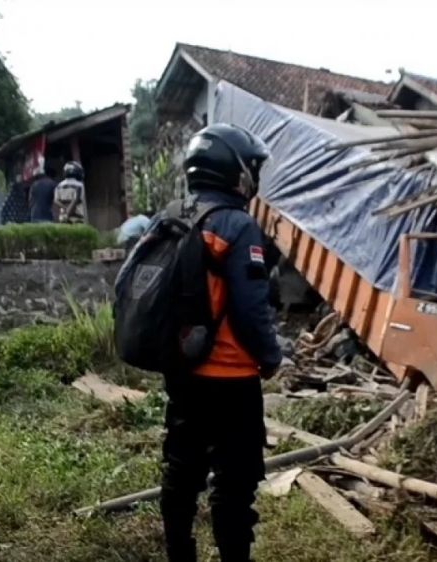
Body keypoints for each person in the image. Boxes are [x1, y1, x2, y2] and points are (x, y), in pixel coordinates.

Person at [158, 124, 281, 562]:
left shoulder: (174, 216)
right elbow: (252, 308)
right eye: (252, 167)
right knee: (234, 484)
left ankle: (180, 554)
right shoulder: (237, 225)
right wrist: (270, 357)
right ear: (235, 170)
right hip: (232, 377)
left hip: (184, 372)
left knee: (181, 470)